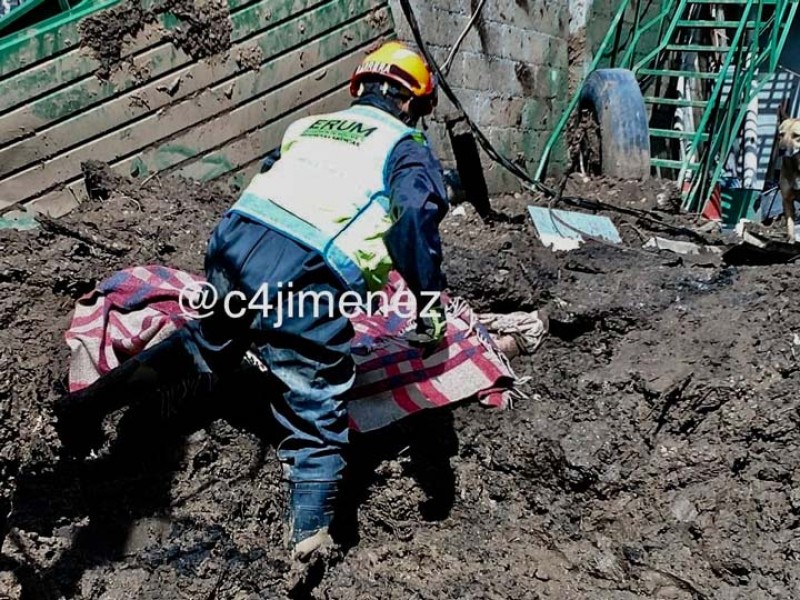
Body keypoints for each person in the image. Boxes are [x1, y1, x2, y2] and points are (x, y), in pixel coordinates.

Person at [55, 41, 450, 562]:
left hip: (236, 246)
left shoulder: (308, 126)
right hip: (301, 274)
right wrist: (427, 300)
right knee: (315, 401)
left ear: (360, 88)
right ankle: (309, 540)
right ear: (414, 103)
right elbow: (414, 217)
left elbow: (273, 178)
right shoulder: (404, 146)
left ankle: (86, 408)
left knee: (203, 344)